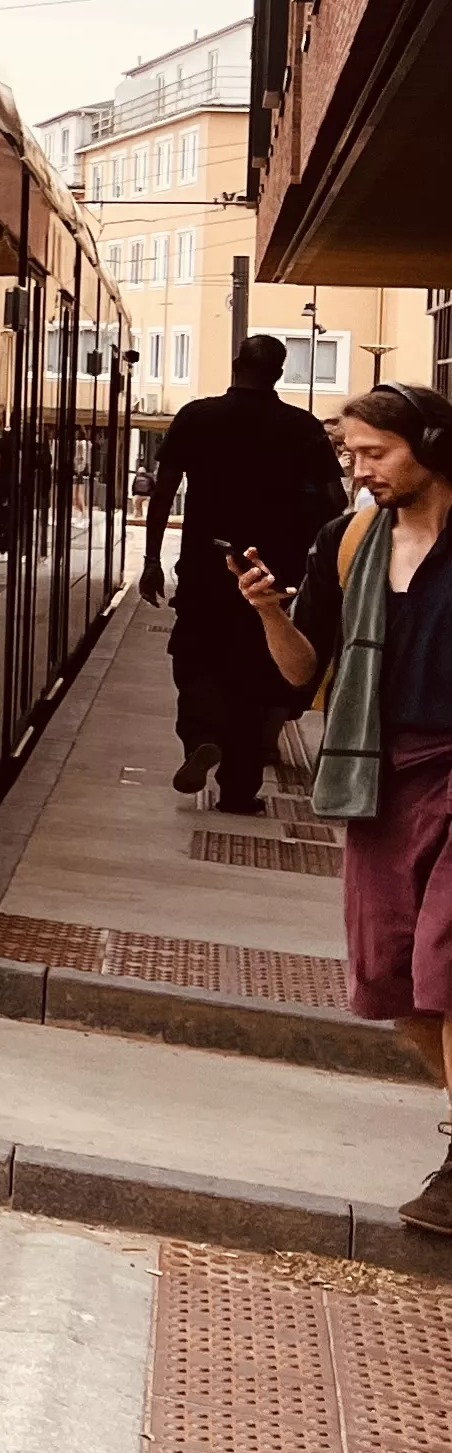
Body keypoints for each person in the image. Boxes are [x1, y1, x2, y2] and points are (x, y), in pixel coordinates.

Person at [234, 381, 452, 1233]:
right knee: (396, 988)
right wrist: (266, 611)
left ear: (431, 442)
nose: (359, 472)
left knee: (445, 966)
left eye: (376, 454)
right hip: (377, 776)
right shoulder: (350, 538)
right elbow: (300, 672)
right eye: (350, 455)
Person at [144, 335, 350, 812]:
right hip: (270, 575)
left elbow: (163, 492)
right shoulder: (301, 427)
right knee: (255, 675)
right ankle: (239, 790)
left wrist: (152, 559)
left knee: (195, 658)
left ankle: (199, 735)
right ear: (278, 374)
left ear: (236, 365)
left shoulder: (197, 416)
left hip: (203, 568)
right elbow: (334, 503)